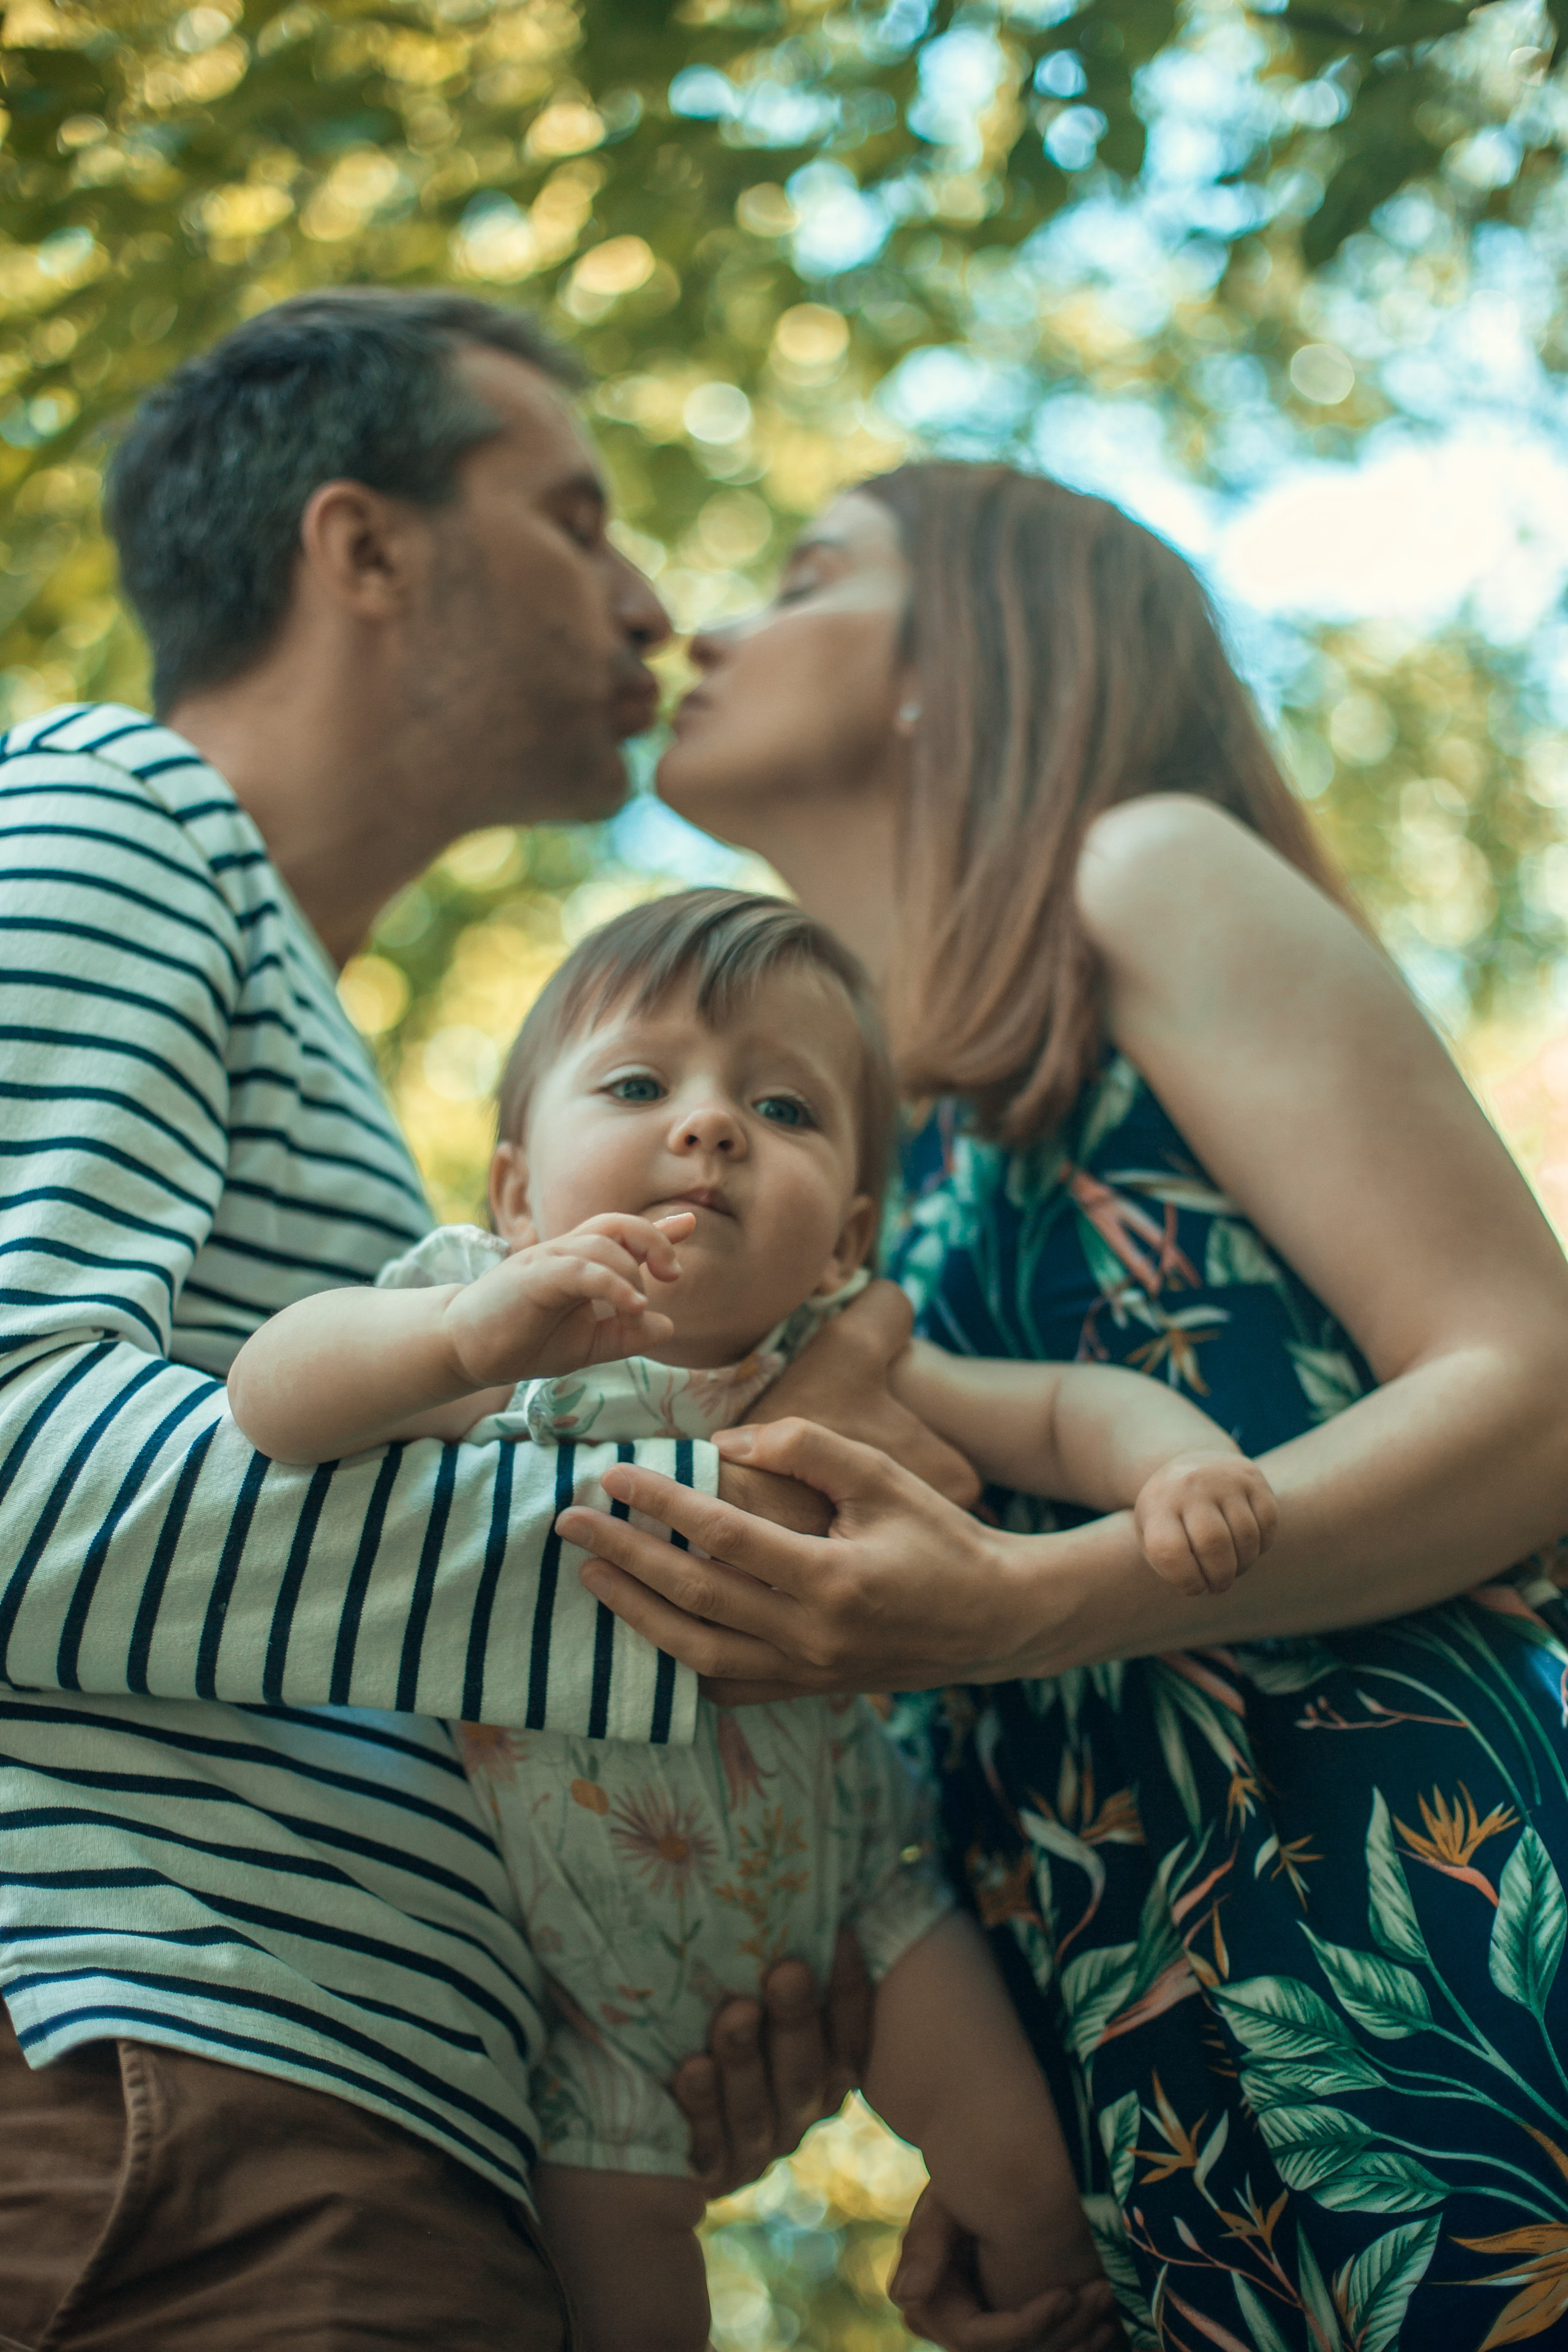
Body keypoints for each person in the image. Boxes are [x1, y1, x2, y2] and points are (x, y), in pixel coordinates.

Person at [0, 292, 960, 2352]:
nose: (648, 602)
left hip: (363, 2141)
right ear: (364, 549)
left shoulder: (347, 1090)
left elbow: (355, 1674)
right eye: (576, 516)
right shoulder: (109, 811)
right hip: (164, 2104)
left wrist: (659, 1952)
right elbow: (11, 1474)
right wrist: (723, 1583)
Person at [555, 466, 1568, 2351]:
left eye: (807, 577)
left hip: (1428, 1908)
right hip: (1156, 2066)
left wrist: (1041, 1600)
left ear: (971, 655)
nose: (713, 629)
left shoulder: (1145, 870)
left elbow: (1534, 1395)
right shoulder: (866, 1179)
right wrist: (987, 2119)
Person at [225, 883, 1278, 2350]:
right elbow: (269, 1398)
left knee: (1031, 2185)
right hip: (575, 2023)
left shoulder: (840, 1350)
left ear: (845, 1237)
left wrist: (1175, 1464)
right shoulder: (491, 1332)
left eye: (779, 1108)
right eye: (644, 1085)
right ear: (517, 1190)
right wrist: (459, 1336)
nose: (710, 1127)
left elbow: (1056, 1407)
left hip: (863, 1894)